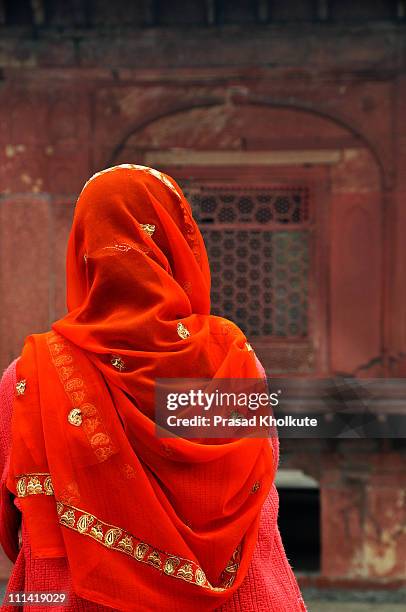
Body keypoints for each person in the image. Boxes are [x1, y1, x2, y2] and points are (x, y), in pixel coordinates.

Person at [0, 165, 306, 611]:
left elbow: (13, 514)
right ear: (175, 243)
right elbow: (259, 486)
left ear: (84, 248)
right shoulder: (230, 359)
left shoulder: (31, 375)